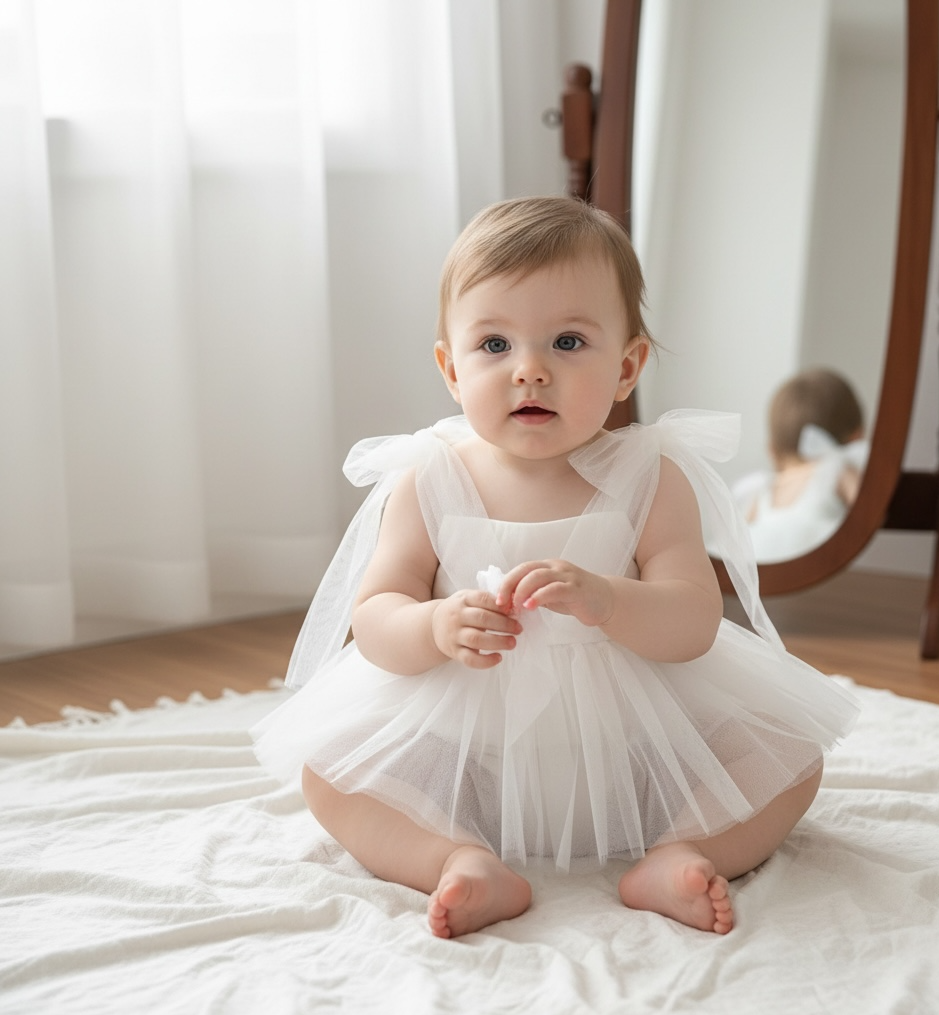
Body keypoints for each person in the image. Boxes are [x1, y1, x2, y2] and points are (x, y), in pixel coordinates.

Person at [251, 196, 859, 940]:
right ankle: (458, 859)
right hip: (464, 752)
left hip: (636, 748)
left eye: (568, 342)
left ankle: (681, 851)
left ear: (628, 365)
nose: (530, 371)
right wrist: (435, 624)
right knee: (331, 770)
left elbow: (696, 617)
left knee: (790, 758)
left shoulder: (650, 475)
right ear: (450, 367)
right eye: (495, 345)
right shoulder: (429, 478)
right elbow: (376, 615)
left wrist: (611, 600)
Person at [734, 368, 868, 563]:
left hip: (766, 580)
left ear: (772, 450)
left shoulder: (762, 489)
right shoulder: (838, 468)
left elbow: (740, 546)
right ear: (857, 436)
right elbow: (870, 514)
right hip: (819, 573)